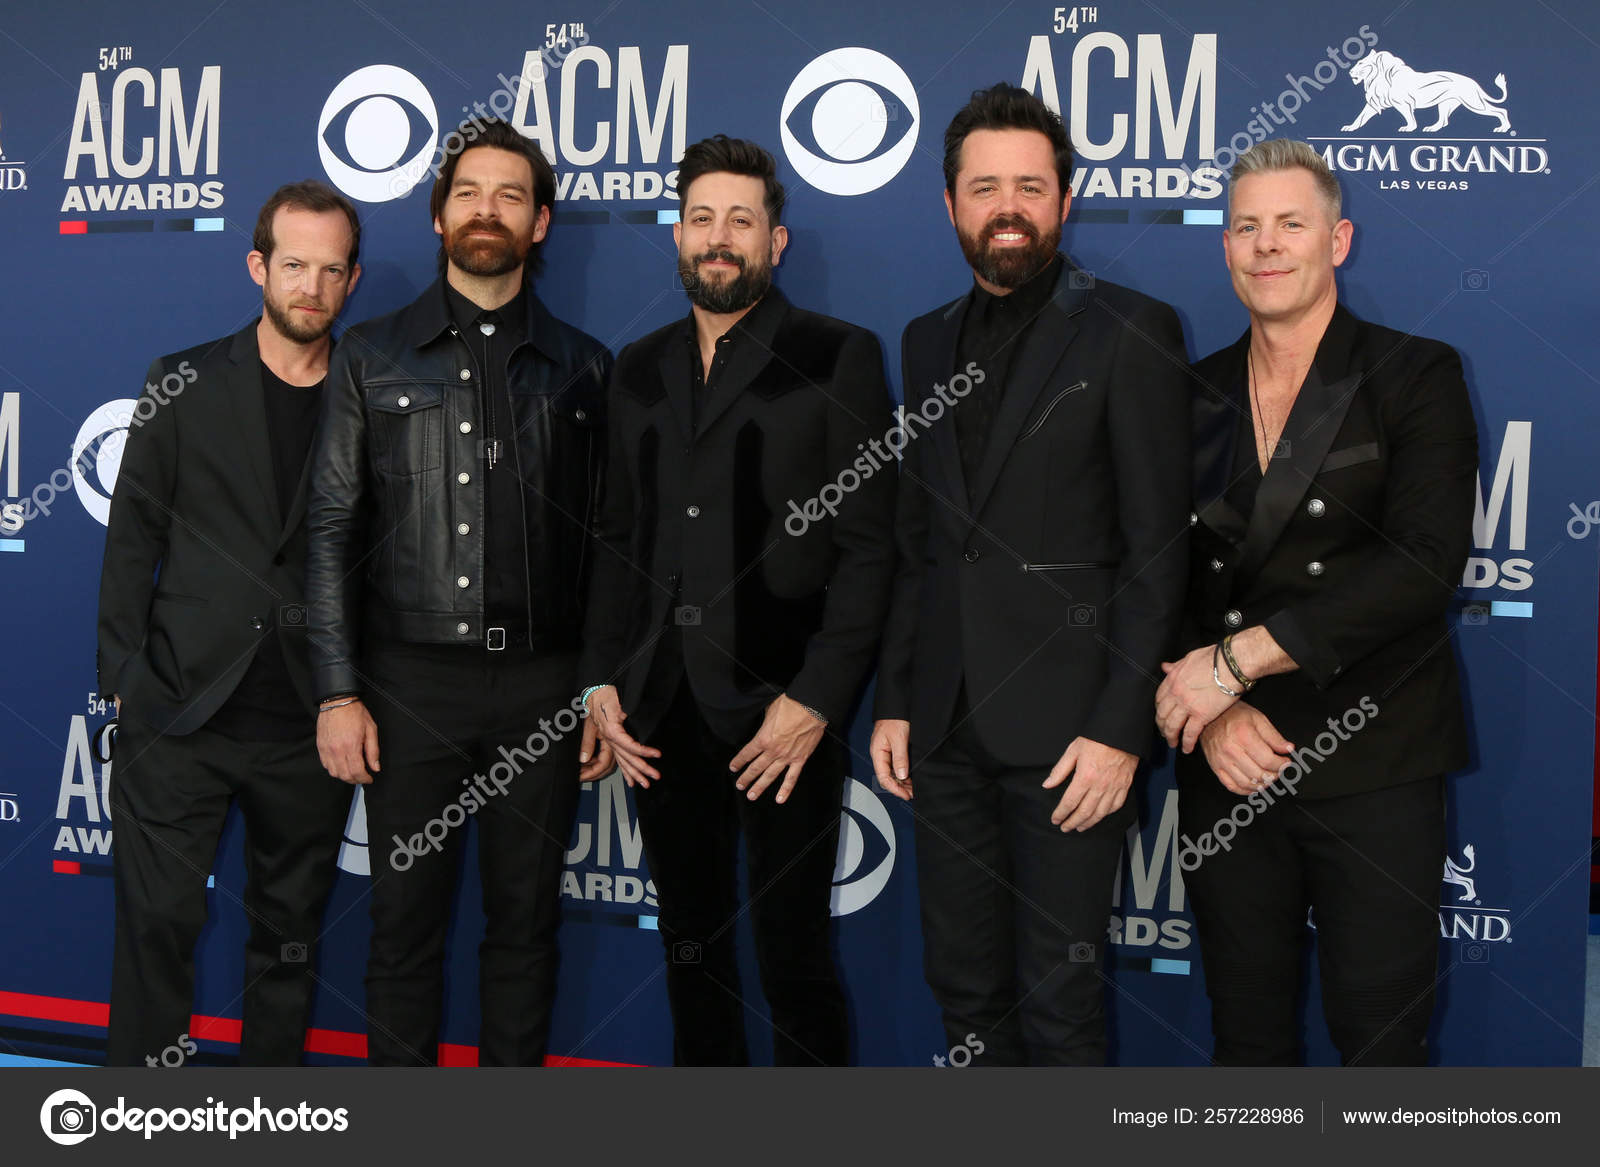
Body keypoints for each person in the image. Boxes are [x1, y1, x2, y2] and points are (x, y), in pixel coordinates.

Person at [870, 83, 1191, 1065]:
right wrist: (897, 700)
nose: (1006, 207)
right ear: (950, 204)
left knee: (1060, 1005)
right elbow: (922, 539)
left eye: (1029, 186)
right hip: (945, 730)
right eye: (984, 188)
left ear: (1064, 199)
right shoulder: (924, 340)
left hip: (1070, 735)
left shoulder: (1131, 327)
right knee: (963, 992)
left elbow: (1158, 549)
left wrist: (1120, 727)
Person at [1153, 138, 1477, 1066]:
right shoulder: (1189, 393)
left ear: (1337, 240)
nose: (1266, 245)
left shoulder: (1416, 373)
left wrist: (1235, 662)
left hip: (1375, 761)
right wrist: (1214, 713)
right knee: (1246, 1039)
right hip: (1228, 765)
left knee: (1380, 1045)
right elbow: (1153, 573)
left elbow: (1423, 565)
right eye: (1246, 227)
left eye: (1290, 224)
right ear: (1225, 246)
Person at [580, 135, 896, 1066]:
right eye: (702, 218)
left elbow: (871, 547)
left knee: (794, 956)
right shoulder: (637, 365)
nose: (719, 238)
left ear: (775, 240)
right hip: (658, 708)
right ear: (678, 233)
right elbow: (615, 538)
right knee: (690, 948)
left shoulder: (837, 354)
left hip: (782, 714)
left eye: (741, 221)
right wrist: (600, 680)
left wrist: (817, 699)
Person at [306, 118, 613, 1066]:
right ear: (440, 217)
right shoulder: (370, 354)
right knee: (403, 927)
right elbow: (330, 526)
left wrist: (600, 684)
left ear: (540, 222)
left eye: (511, 195)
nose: (488, 210)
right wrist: (336, 689)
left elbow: (610, 546)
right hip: (408, 688)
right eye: (469, 193)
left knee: (525, 928)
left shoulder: (586, 365)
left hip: (544, 689)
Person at [98, 180, 362, 1066]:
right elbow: (132, 539)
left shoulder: (374, 393)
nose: (311, 288)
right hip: (179, 709)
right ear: (258, 266)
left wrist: (353, 692)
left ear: (352, 280)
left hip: (310, 722)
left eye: (331, 270)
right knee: (156, 929)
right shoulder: (180, 381)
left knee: (288, 943)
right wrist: (124, 681)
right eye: (294, 265)